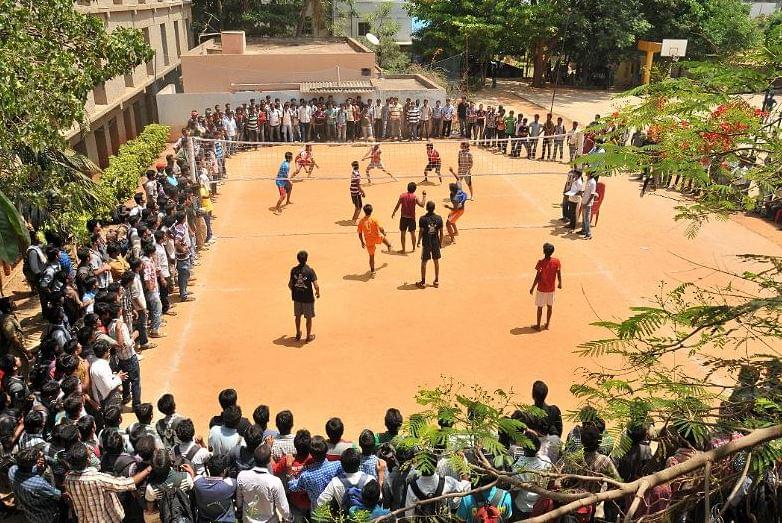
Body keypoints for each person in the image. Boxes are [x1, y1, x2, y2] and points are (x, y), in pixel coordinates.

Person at [63, 442, 151, 523]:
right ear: (88, 460)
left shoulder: (68, 479)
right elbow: (127, 483)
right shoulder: (98, 479)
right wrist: (148, 469)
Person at [236, 444, 292, 523]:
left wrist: (239, 512)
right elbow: (283, 508)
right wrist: (290, 518)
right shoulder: (275, 482)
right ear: (269, 460)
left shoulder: (242, 476)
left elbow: (239, 499)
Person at [9, 446, 62, 523]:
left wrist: (38, 467)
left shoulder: (12, 470)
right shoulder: (39, 483)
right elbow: (57, 495)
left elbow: (28, 471)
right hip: (45, 517)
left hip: (29, 512)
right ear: (34, 463)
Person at [194, 454, 238, 523]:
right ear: (224, 471)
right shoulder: (231, 484)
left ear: (208, 469)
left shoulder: (198, 483)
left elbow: (196, 478)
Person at [528, 243, 562, 331]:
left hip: (541, 289)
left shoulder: (540, 262)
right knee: (550, 307)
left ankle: (538, 325)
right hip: (551, 289)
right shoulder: (557, 261)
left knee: (540, 307)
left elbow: (537, 277)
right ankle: (547, 324)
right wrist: (560, 283)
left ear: (543, 251)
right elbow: (558, 273)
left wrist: (532, 288)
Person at [289, 250, 320, 343]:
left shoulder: (293, 270)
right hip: (308, 299)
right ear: (306, 259)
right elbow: (316, 286)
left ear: (298, 259)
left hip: (297, 298)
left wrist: (295, 291)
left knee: (297, 316)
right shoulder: (310, 271)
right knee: (308, 318)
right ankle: (308, 337)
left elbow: (290, 285)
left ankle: (298, 334)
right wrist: (318, 293)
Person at [391, 182, 426, 253]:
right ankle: (413, 248)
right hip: (411, 218)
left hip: (403, 217)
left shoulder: (402, 196)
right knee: (413, 233)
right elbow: (422, 205)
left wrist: (394, 212)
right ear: (414, 189)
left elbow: (397, 205)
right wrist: (424, 196)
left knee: (403, 233)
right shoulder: (415, 197)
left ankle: (403, 249)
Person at [357, 204, 392, 273]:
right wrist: (384, 232)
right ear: (371, 211)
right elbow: (381, 228)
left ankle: (372, 271)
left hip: (368, 240)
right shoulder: (374, 220)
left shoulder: (361, 221)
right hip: (376, 237)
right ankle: (388, 245)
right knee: (382, 238)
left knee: (371, 256)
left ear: (364, 211)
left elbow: (360, 233)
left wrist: (362, 242)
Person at [416, 201, 443, 289]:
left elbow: (421, 231)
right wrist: (440, 243)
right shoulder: (439, 218)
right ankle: (436, 281)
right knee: (436, 261)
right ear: (434, 208)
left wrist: (418, 241)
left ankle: (423, 282)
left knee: (424, 262)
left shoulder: (422, 219)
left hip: (426, 242)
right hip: (435, 242)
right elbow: (441, 233)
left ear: (426, 208)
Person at [444, 179, 468, 244]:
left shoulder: (455, 199)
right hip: (459, 209)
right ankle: (455, 232)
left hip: (459, 211)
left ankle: (452, 239)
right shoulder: (459, 190)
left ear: (451, 190)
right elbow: (458, 179)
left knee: (447, 224)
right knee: (450, 217)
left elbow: (455, 209)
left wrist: (448, 207)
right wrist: (453, 173)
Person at [579, 172, 599, 240]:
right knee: (584, 217)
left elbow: (592, 194)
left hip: (587, 203)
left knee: (587, 219)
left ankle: (589, 234)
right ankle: (583, 230)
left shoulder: (593, 182)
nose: (586, 172)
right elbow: (587, 191)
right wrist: (582, 192)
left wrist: (587, 203)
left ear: (590, 174)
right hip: (584, 201)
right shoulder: (588, 180)